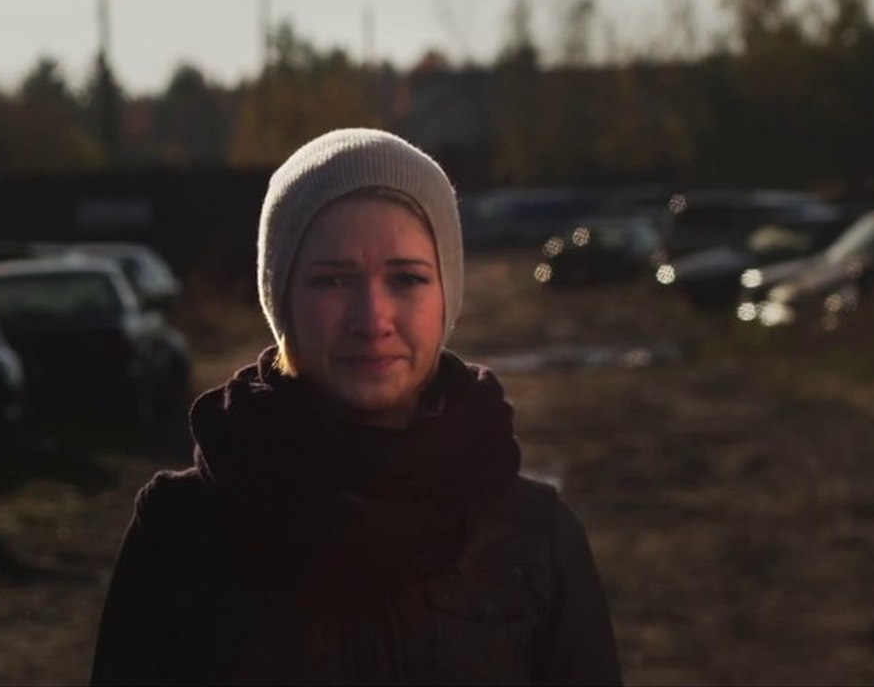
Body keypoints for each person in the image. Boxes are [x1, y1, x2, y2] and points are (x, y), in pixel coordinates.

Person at [90, 128, 621, 685]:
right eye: (332, 280)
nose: (371, 319)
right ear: (282, 300)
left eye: (407, 278)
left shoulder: (535, 540)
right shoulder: (180, 533)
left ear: (448, 297)